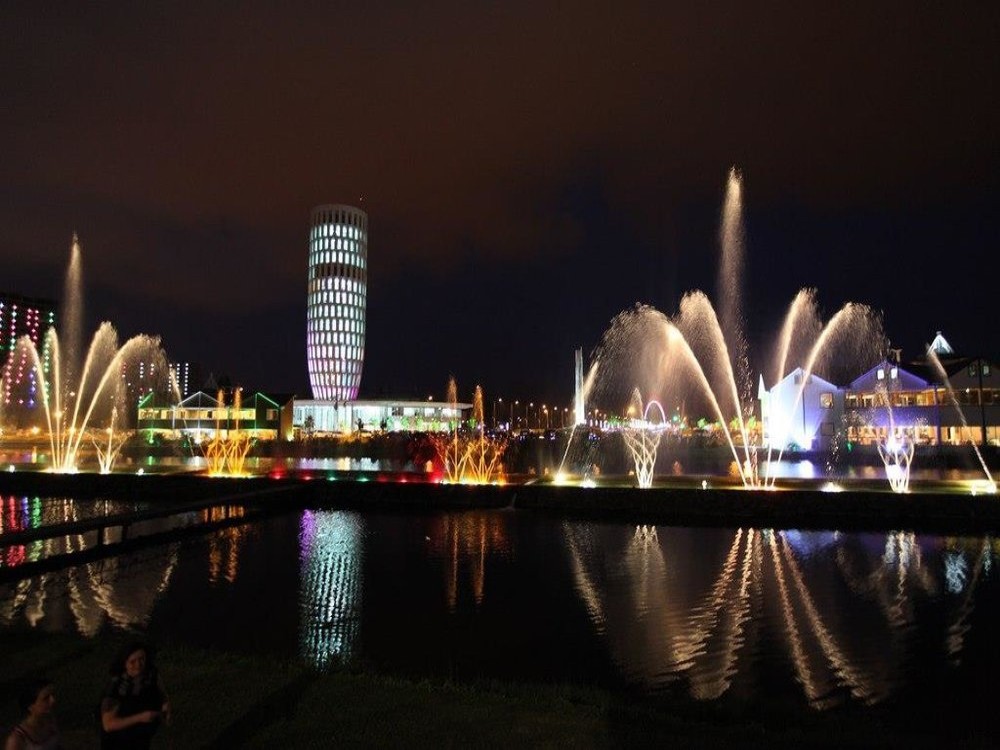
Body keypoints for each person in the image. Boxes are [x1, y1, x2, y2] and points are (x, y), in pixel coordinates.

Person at [98, 642, 171, 750]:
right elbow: (108, 725)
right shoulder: (116, 687)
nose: (138, 665)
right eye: (132, 661)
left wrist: (166, 704)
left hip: (142, 737)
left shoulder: (151, 674)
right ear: (124, 663)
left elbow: (162, 692)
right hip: (119, 740)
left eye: (141, 659)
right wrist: (141, 717)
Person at [4, 677, 60, 750]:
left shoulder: (50, 721)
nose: (53, 700)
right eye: (46, 698)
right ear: (30, 706)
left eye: (52, 695)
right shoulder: (17, 739)